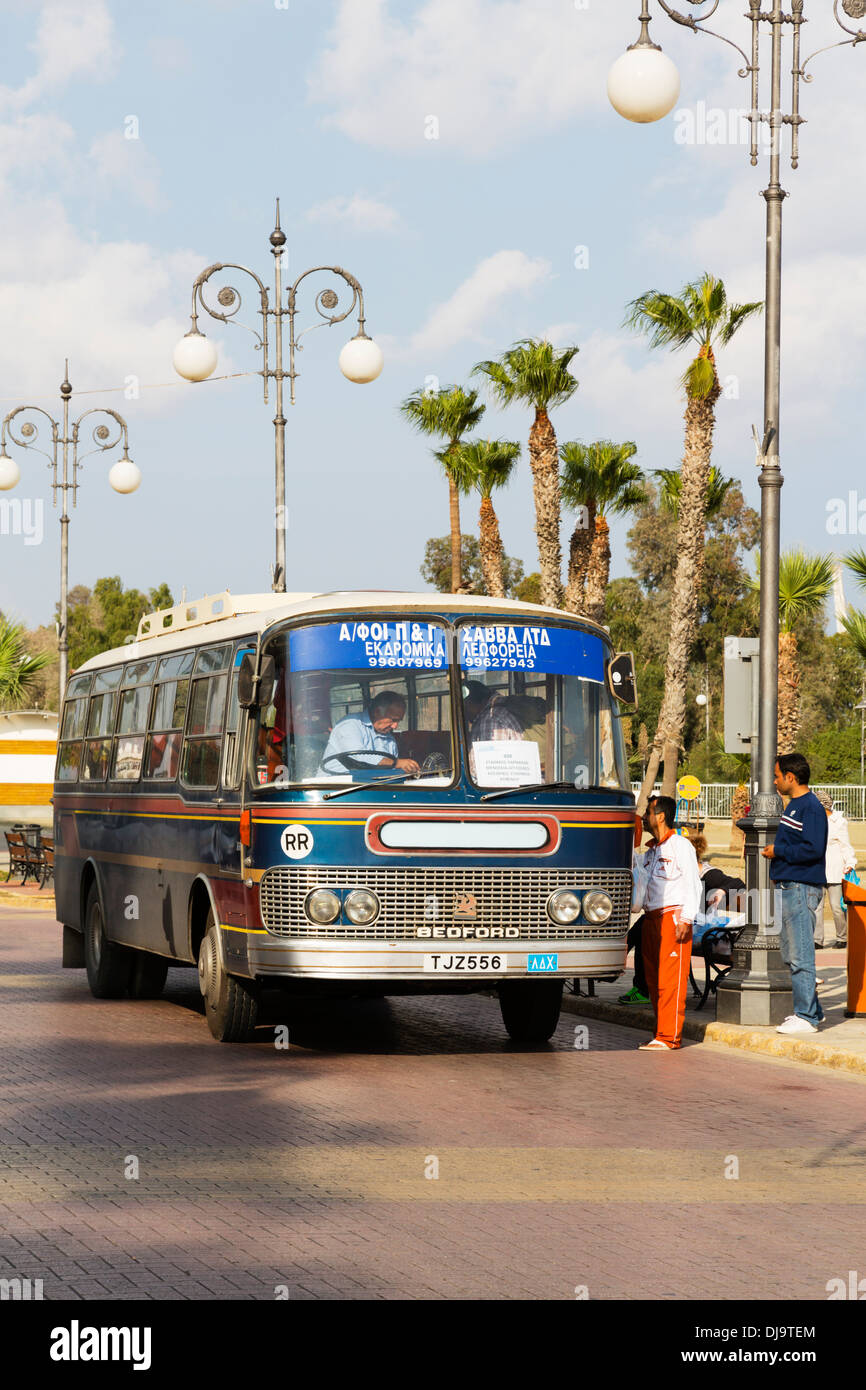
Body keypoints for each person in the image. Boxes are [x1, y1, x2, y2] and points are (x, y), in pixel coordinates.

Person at [761, 752, 828, 1035]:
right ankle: (813, 1011)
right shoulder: (794, 806)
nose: (775, 781)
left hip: (800, 889)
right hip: (789, 887)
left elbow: (814, 849)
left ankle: (807, 1017)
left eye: (777, 776)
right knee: (790, 954)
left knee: (801, 956)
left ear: (790, 777)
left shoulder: (809, 807)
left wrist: (779, 851)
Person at [632, 795, 701, 1049]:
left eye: (649, 813)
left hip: (673, 917)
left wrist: (686, 918)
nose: (647, 818)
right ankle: (660, 1031)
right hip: (650, 919)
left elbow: (693, 884)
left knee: (671, 979)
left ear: (660, 816)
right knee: (654, 979)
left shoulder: (681, 846)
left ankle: (669, 1036)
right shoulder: (651, 852)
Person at [317, 691, 420, 777]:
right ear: (377, 712)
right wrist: (397, 763)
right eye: (393, 720)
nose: (395, 726)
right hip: (333, 790)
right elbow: (358, 757)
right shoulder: (350, 725)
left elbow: (389, 771)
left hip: (369, 789)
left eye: (398, 721)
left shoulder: (389, 739)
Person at [813, 791, 856, 950]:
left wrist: (850, 862)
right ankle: (817, 940)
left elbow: (846, 845)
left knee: (836, 907)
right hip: (817, 870)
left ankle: (842, 937)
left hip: (836, 870)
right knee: (816, 907)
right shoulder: (813, 821)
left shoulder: (839, 822)